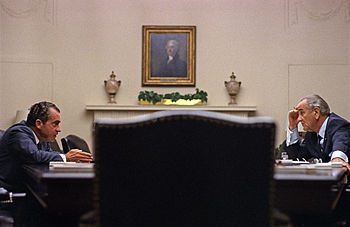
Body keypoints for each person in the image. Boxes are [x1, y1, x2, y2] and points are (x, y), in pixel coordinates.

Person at [0, 101, 93, 192]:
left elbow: (48, 154)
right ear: (39, 123)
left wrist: (71, 160)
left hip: (28, 190)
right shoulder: (18, 133)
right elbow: (34, 155)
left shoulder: (42, 137)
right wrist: (66, 157)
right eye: (55, 124)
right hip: (11, 195)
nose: (59, 129)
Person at [285, 94, 350, 170]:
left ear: (316, 112)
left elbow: (341, 142)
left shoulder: (337, 124)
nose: (299, 119)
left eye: (302, 113)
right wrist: (292, 126)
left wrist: (338, 158)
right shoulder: (312, 134)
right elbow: (296, 156)